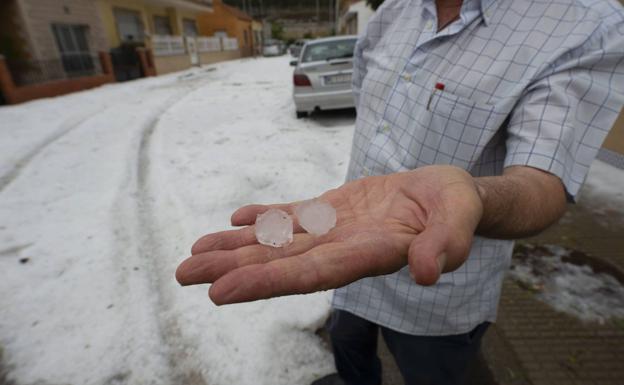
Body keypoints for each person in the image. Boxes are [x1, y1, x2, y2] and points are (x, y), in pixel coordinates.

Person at [176, 0, 624, 384]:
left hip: (438, 293)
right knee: (349, 349)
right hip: (344, 255)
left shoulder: (584, 23)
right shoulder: (394, 10)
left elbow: (543, 180)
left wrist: (475, 197)